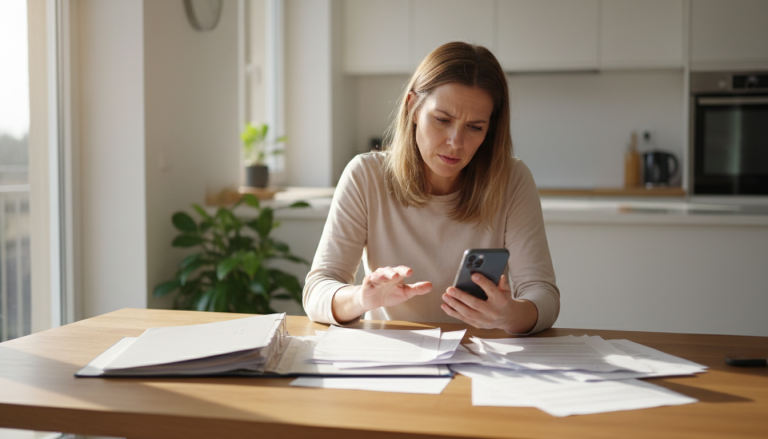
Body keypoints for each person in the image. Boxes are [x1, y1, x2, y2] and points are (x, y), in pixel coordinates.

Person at [303, 42, 559, 334]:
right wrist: (361, 299)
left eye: (475, 127)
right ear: (413, 107)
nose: (456, 142)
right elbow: (317, 291)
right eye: (442, 120)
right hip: (396, 357)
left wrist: (512, 315)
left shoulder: (512, 179)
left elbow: (543, 294)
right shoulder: (365, 176)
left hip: (483, 361)